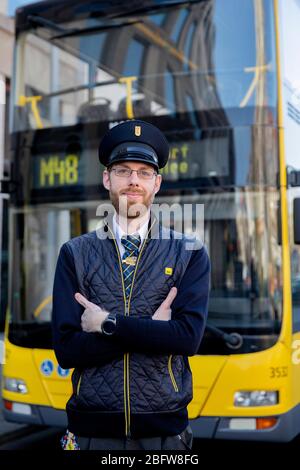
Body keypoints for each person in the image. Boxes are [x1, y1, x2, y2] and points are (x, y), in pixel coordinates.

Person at [52, 119, 210, 451]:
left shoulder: (189, 252)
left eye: (144, 172)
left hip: (165, 432)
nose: (133, 181)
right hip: (91, 431)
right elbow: (66, 351)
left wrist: (107, 324)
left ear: (157, 183)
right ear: (107, 178)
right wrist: (152, 332)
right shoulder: (74, 253)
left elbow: (187, 339)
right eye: (123, 170)